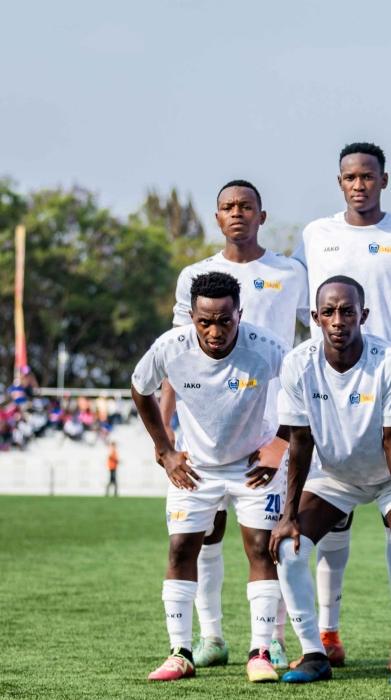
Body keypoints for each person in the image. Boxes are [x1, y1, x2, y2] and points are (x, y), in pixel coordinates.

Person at [292, 142, 391, 671]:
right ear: (340, 182)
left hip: (384, 386)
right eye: (350, 177)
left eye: (368, 176)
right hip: (332, 406)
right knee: (317, 538)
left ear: (384, 179)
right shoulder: (316, 235)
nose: (360, 185)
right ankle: (323, 641)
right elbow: (296, 297)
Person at [165, 180, 309, 671]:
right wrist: (165, 436)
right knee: (204, 534)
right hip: (204, 430)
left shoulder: (290, 272)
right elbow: (176, 357)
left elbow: (311, 348)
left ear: (262, 215)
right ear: (217, 217)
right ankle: (211, 638)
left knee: (266, 540)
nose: (238, 214)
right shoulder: (196, 275)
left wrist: (287, 435)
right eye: (228, 207)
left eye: (247, 206)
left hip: (269, 431)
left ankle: (273, 641)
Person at [270, 276, 391, 685]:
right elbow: (300, 441)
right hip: (335, 477)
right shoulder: (298, 364)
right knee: (288, 548)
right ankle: (313, 655)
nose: (338, 320)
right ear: (315, 317)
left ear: (363, 314)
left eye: (347, 311)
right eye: (328, 312)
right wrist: (289, 514)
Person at [131, 271, 290, 683]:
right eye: (204, 321)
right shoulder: (171, 348)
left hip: (254, 466)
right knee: (181, 549)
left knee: (261, 549)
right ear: (191, 316)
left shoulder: (267, 348)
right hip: (196, 467)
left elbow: (303, 388)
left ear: (240, 313)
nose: (215, 330)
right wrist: (165, 450)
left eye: (225, 320)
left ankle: (261, 652)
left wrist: (279, 446)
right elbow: (139, 386)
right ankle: (180, 652)